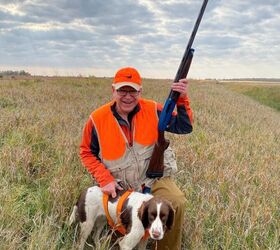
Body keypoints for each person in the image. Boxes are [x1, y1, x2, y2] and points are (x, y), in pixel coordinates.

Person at [80, 67, 193, 250]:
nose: (127, 96)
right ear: (113, 90)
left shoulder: (154, 110)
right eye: (122, 90)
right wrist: (105, 179)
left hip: (154, 179)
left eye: (132, 91)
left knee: (176, 202)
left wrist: (182, 99)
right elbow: (86, 152)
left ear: (140, 91)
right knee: (120, 239)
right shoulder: (97, 119)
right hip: (122, 186)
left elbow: (184, 126)